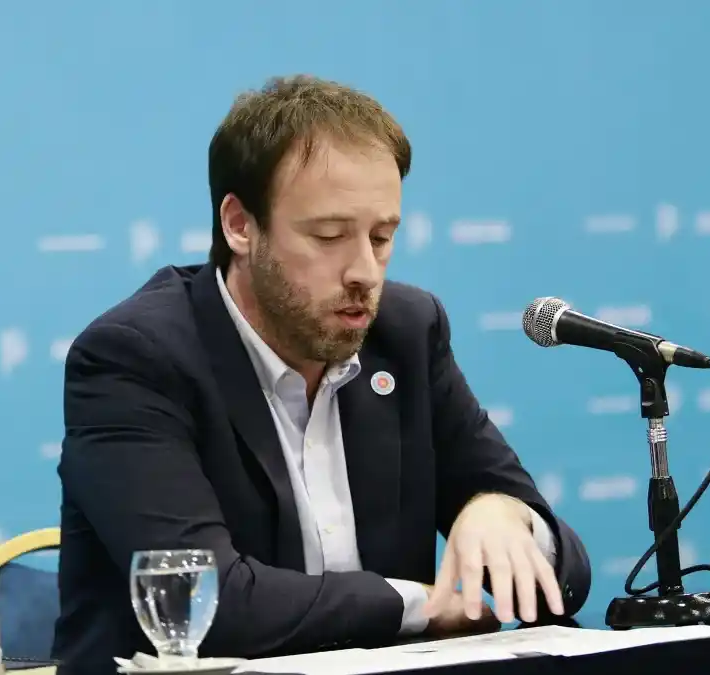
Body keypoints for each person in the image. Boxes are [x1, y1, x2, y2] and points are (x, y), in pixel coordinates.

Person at [52, 74, 591, 671]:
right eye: (330, 236)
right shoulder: (136, 357)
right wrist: (416, 604)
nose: (365, 270)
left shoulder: (406, 334)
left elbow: (567, 573)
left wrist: (504, 515)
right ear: (239, 226)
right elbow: (207, 601)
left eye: (383, 237)